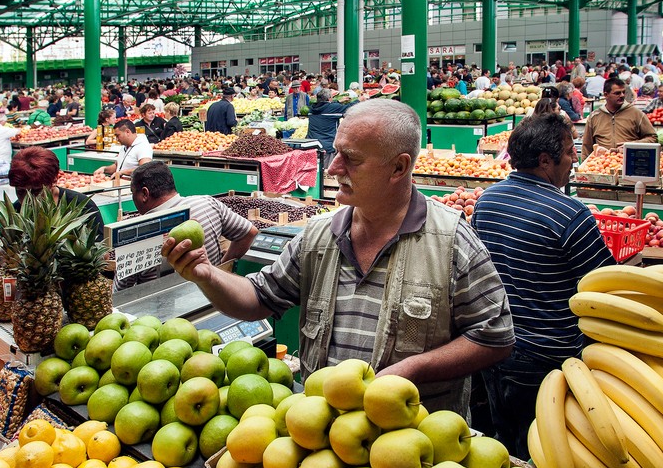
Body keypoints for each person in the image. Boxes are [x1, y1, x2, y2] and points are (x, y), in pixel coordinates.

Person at [161, 100, 514, 414]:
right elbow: (258, 298)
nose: (332, 168)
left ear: (398, 168)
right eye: (335, 153)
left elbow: (495, 337)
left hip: (414, 439)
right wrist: (207, 274)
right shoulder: (318, 236)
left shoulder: (451, 242)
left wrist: (414, 369)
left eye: (351, 159)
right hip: (323, 437)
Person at [472, 114, 615, 456]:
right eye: (569, 152)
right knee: (543, 449)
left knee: (502, 442)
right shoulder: (571, 214)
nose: (574, 159)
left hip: (493, 345)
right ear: (545, 160)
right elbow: (605, 286)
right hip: (546, 357)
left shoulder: (487, 201)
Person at [118, 161, 257, 284]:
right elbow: (250, 233)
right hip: (213, 296)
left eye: (132, 192)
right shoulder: (207, 203)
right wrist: (219, 271)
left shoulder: (136, 234)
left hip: (162, 305)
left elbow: (120, 293)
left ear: (144, 194)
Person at [0, 147, 105, 270]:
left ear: (54, 180)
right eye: (20, 191)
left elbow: (101, 256)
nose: (27, 200)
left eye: (36, 191)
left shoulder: (81, 206)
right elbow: (7, 259)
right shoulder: (16, 210)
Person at [581, 78, 657, 157]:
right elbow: (587, 145)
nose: (622, 95)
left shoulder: (636, 114)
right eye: (617, 93)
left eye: (623, 92)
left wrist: (631, 145)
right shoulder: (595, 116)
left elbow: (652, 138)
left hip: (629, 160)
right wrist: (584, 163)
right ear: (606, 95)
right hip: (602, 162)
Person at [94, 120, 152, 184]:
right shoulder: (124, 146)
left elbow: (145, 169)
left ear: (127, 132)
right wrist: (104, 169)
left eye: (118, 135)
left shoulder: (143, 146)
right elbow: (117, 166)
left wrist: (122, 172)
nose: (117, 139)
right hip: (120, 184)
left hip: (132, 186)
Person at [308, 89, 354, 165]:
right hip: (327, 147)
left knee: (315, 169)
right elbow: (350, 109)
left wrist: (338, 101)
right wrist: (359, 100)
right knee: (326, 170)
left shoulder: (312, 108)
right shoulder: (332, 108)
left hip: (313, 145)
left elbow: (326, 107)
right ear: (329, 99)